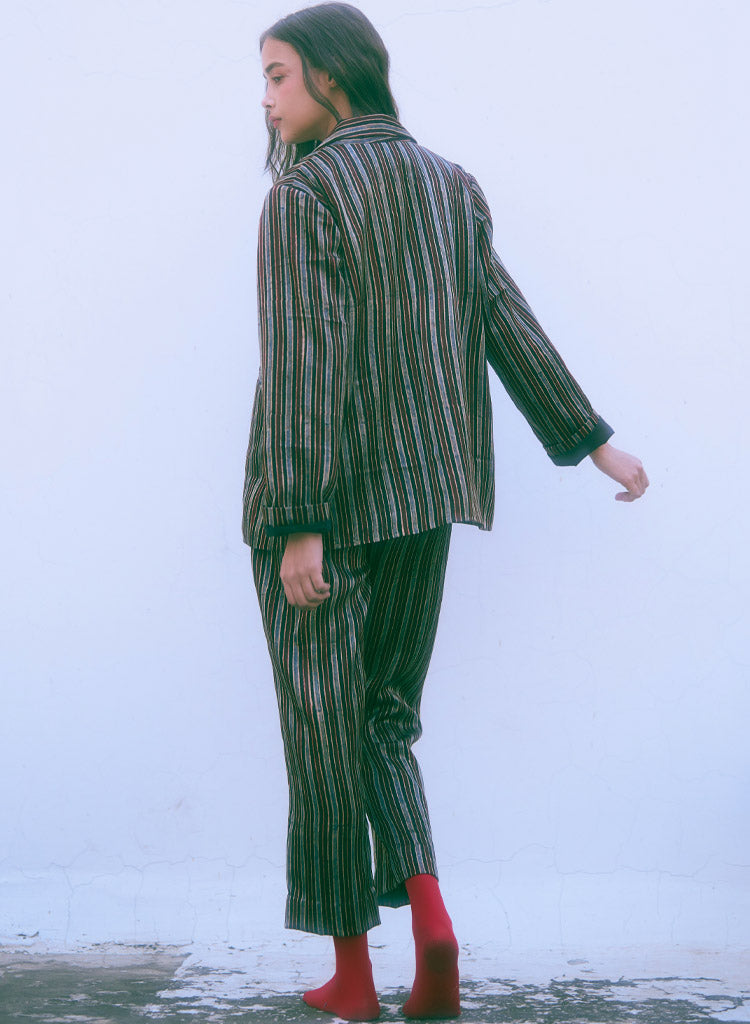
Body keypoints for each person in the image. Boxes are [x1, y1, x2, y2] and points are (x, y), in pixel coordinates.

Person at [241, 3, 649, 1020]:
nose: (266, 99)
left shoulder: (305, 196)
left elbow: (304, 363)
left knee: (323, 731)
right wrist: (593, 439)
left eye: (279, 76)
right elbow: (505, 319)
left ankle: (352, 976)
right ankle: (431, 917)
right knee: (386, 720)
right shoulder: (451, 186)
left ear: (333, 77)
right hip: (429, 496)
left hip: (327, 511)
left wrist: (299, 522)